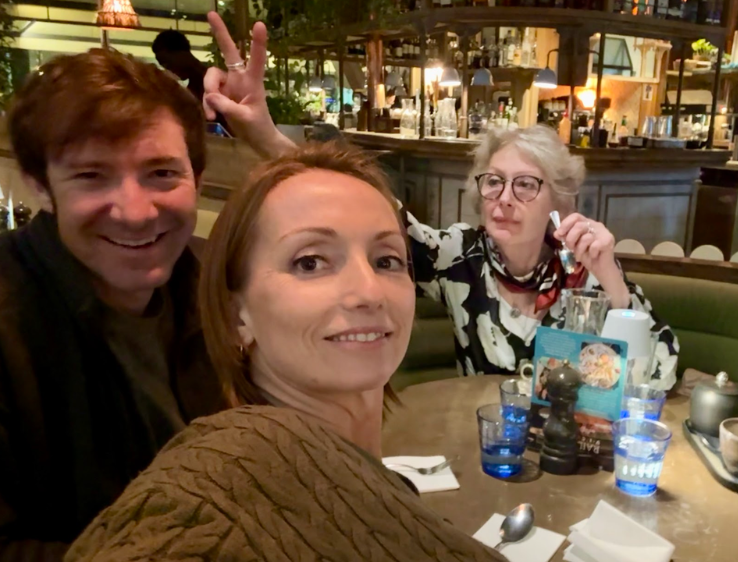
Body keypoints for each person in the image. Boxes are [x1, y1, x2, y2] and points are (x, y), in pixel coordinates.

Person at [65, 143, 506, 562]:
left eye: (386, 260)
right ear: (237, 314)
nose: (369, 292)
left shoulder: (364, 485)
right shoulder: (218, 486)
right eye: (310, 262)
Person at [200, 13, 680, 388]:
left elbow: (658, 374)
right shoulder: (460, 257)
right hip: (486, 453)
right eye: (493, 181)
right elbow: (367, 203)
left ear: (558, 197)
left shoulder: (582, 271)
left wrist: (612, 280)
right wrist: (265, 137)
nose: (504, 199)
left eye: (526, 185)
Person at [0, 49, 226, 558]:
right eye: (91, 176)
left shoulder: (213, 294)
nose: (135, 212)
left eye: (162, 173)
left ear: (198, 180)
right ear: (41, 187)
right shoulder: (11, 325)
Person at [153, 29, 229, 134]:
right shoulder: (189, 89)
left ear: (181, 53)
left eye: (166, 62)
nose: (167, 68)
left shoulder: (214, 81)